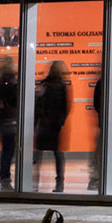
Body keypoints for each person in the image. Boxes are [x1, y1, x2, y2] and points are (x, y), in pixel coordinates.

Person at [35, 60, 72, 192]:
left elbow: (37, 105)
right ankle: (59, 183)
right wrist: (60, 122)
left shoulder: (44, 84)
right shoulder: (62, 86)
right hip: (55, 125)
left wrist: (36, 122)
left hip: (44, 123)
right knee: (58, 155)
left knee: (37, 155)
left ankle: (33, 183)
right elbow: (66, 107)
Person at [0, 56, 19, 189]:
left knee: (6, 148)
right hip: (10, 119)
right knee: (9, 149)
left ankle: (4, 175)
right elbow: (14, 100)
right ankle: (5, 176)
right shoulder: (12, 81)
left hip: (1, 118)